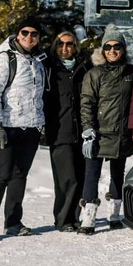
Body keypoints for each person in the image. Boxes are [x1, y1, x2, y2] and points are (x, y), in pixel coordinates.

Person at [0, 17, 47, 242]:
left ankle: (13, 223)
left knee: (19, 176)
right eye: (25, 32)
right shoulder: (4, 59)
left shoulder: (38, 62)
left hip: (31, 128)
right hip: (7, 127)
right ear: (17, 35)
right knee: (2, 175)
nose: (29, 37)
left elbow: (38, 96)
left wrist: (40, 123)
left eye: (34, 34)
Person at [77, 24, 133, 235]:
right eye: (108, 46)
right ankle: (89, 218)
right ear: (102, 50)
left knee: (118, 174)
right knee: (91, 175)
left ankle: (114, 215)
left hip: (122, 133)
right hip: (99, 134)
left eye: (117, 46)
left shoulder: (132, 72)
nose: (112, 50)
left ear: (123, 49)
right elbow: (86, 103)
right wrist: (88, 130)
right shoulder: (94, 74)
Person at [43, 31, 90, 232]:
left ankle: (75, 218)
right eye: (61, 44)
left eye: (69, 44)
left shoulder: (84, 67)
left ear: (75, 46)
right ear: (55, 46)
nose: (65, 48)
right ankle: (63, 220)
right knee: (65, 178)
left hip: (82, 130)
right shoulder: (49, 68)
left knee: (80, 176)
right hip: (60, 130)